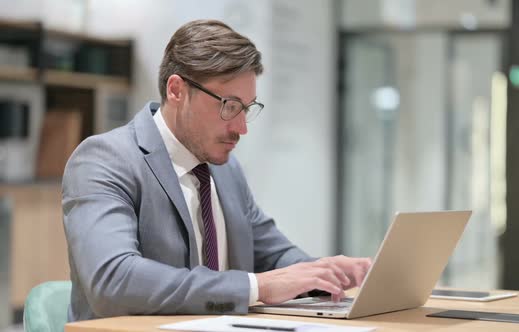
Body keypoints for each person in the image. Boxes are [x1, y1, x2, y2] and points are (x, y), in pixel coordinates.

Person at [62, 19, 371, 322]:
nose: (240, 128)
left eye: (246, 109)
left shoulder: (225, 170)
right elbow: (113, 280)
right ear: (176, 90)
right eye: (229, 105)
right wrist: (257, 287)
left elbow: (275, 255)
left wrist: (323, 273)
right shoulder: (106, 160)